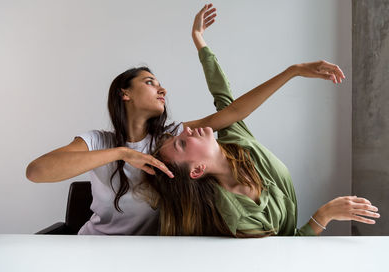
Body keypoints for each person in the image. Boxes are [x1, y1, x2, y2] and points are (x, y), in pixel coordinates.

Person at [25, 4, 348, 236]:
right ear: (124, 93)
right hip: (92, 248)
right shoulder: (98, 141)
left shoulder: (174, 140)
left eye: (160, 82)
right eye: (149, 82)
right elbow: (37, 172)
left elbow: (233, 110)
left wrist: (291, 71)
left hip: (150, 253)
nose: (162, 87)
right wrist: (123, 153)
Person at [142, 6, 380, 237]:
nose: (185, 131)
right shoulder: (238, 216)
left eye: (177, 137)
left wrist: (198, 39)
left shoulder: (235, 141)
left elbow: (222, 94)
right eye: (181, 144)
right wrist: (325, 214)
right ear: (197, 170)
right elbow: (288, 248)